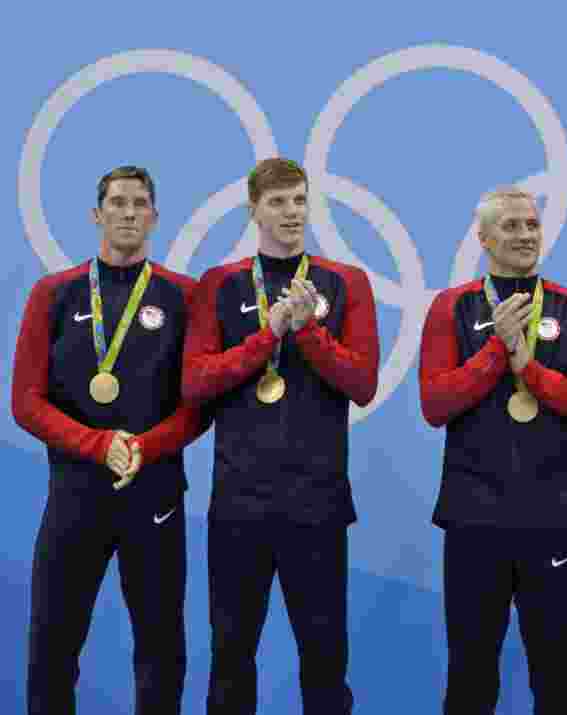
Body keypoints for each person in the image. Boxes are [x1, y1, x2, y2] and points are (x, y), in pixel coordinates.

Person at [182, 157, 379, 715]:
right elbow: (195, 383)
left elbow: (362, 383)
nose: (291, 213)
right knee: (230, 657)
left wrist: (309, 332)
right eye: (278, 202)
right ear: (254, 211)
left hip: (317, 503)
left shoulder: (346, 283)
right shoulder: (218, 285)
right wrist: (266, 336)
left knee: (324, 660)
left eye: (299, 200)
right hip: (239, 503)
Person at [12, 166, 208, 715]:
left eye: (139, 203)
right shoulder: (53, 294)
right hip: (76, 496)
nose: (128, 212)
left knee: (161, 649)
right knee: (52, 645)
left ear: (154, 217)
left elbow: (198, 405)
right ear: (97, 215)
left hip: (155, 498)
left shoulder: (183, 297)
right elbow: (25, 402)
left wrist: (147, 446)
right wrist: (98, 444)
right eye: (117, 203)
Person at [419, 186, 567, 714]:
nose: (525, 236)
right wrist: (494, 352)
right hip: (473, 519)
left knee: (560, 679)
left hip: (553, 517)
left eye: (531, 225)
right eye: (510, 226)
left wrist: (529, 369)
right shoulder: (452, 306)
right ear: (483, 238)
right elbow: (435, 404)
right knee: (470, 676)